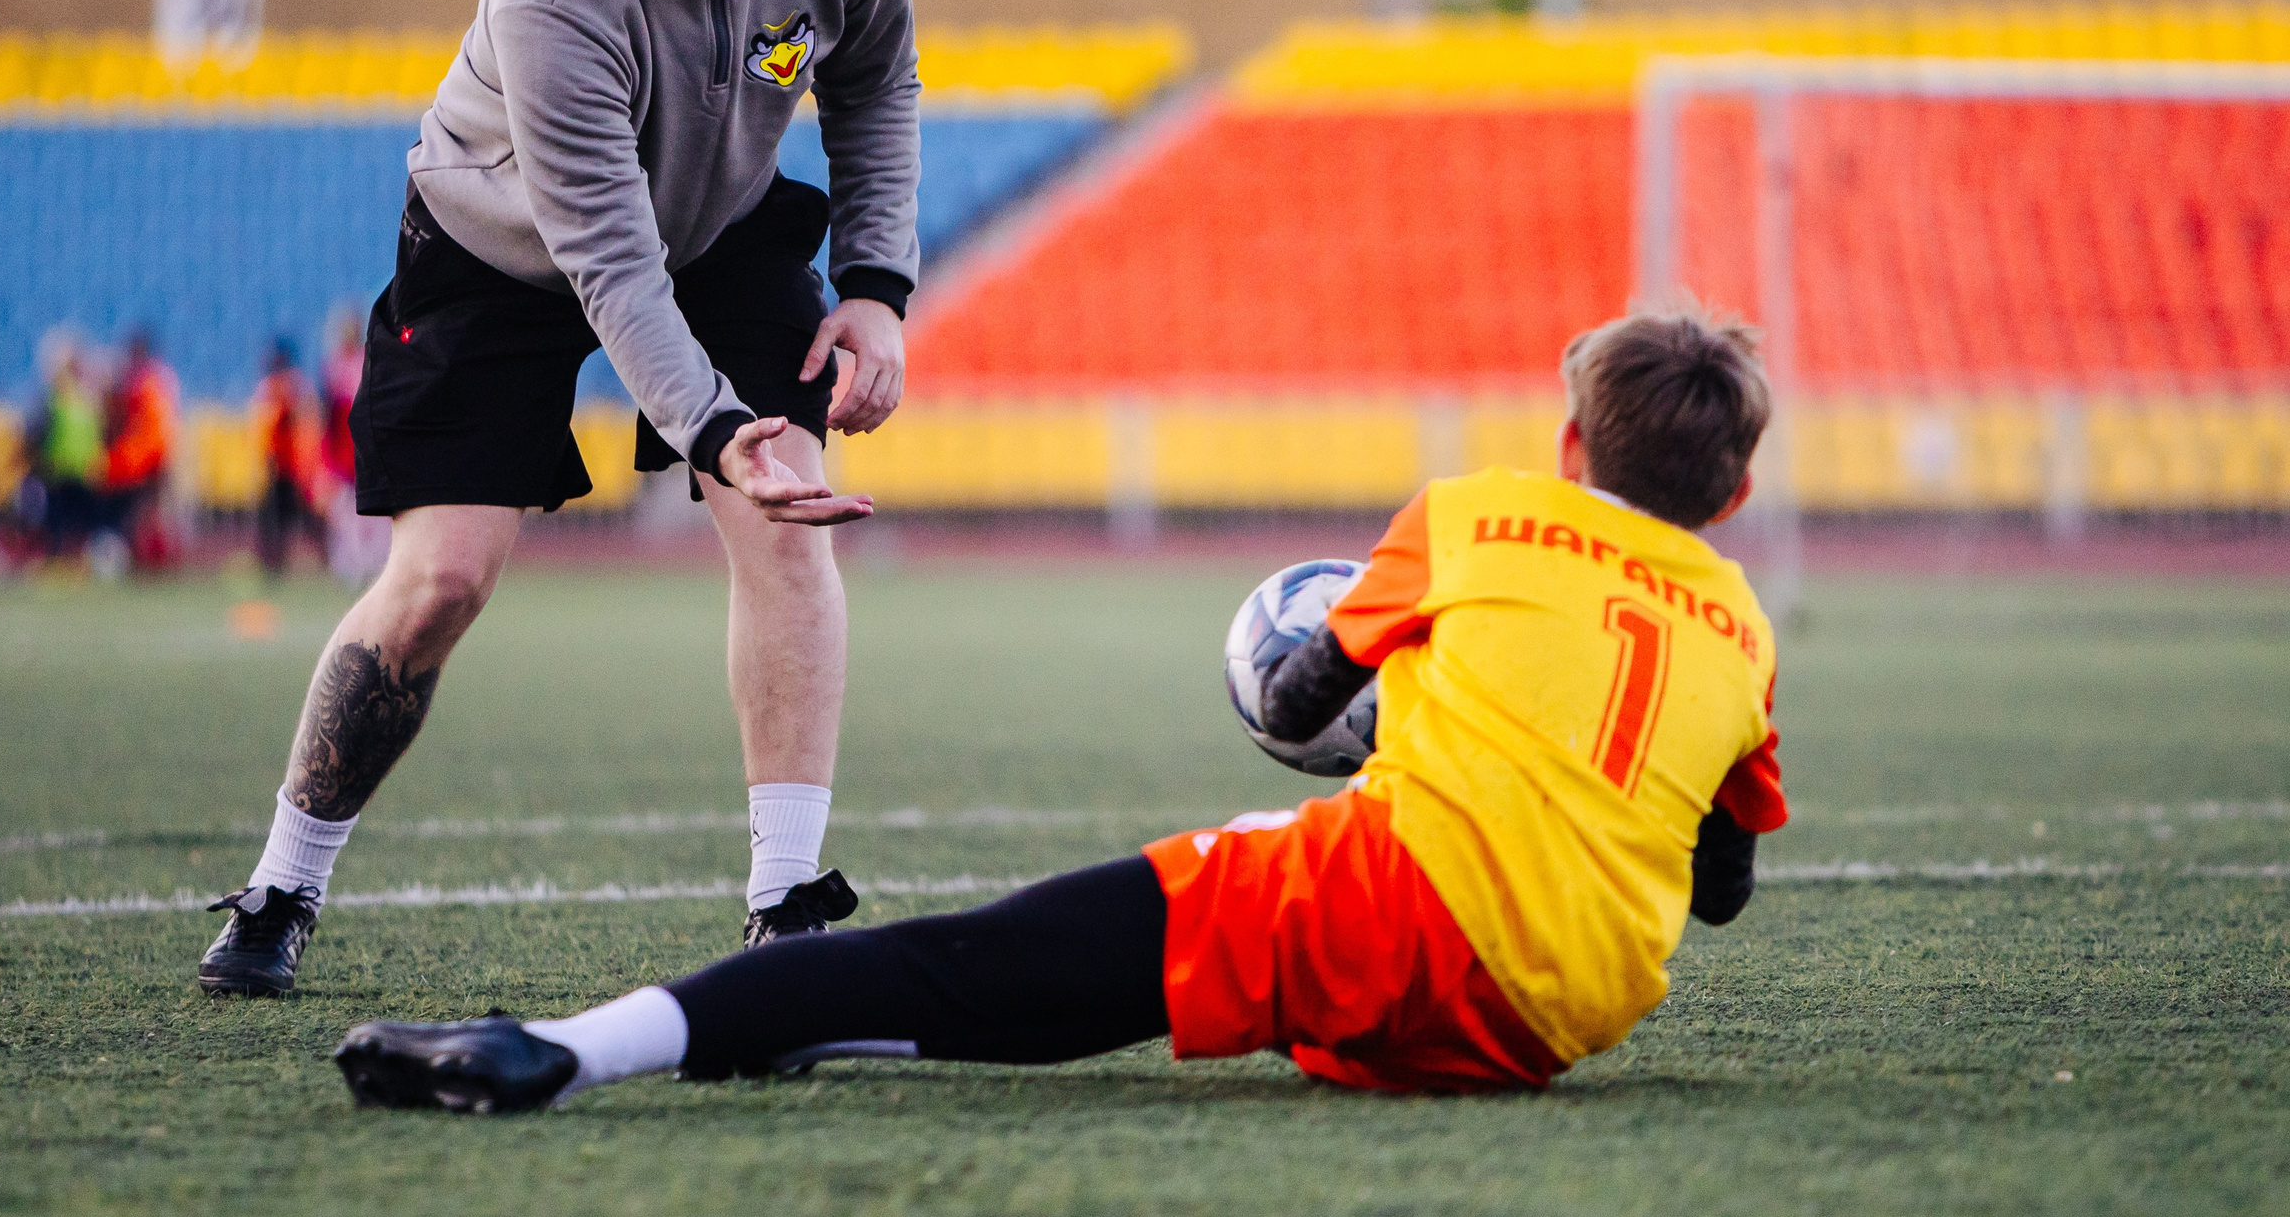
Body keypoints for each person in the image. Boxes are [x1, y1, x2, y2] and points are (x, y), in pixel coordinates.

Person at [331, 309, 1789, 1110]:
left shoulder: (1477, 513)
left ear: (1567, 442)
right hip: (1555, 1015)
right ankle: (779, 1024)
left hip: (1381, 912)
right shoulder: (1743, 629)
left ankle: (572, 1046)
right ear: (1728, 498)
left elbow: (1299, 694)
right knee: (1268, 940)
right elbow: (1718, 885)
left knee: (967, 968)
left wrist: (1385, 687)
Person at [197, 0, 919, 997]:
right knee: (442, 580)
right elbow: (610, 264)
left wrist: (876, 281)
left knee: (787, 515)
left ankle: (788, 909)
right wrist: (715, 427)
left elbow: (874, 80)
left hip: (721, 221)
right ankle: (282, 882)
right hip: (505, 246)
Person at [317, 306, 390, 587]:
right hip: (346, 457)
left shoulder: (368, 362)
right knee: (348, 515)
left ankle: (378, 566)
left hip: (368, 453)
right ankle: (352, 567)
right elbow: (329, 420)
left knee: (377, 516)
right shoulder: (334, 368)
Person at [102, 330, 180, 571]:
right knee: (149, 509)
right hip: (155, 453)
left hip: (142, 457)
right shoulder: (162, 377)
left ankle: (146, 557)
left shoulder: (139, 380)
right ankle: (151, 558)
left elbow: (121, 416)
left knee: (140, 510)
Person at [25, 339, 104, 564]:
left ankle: (58, 558)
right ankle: (82, 560)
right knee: (81, 522)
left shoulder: (55, 396)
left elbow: (38, 432)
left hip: (58, 469)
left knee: (57, 522)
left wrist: (34, 460)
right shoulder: (89, 397)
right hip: (84, 470)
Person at [255, 338, 326, 579]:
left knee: (306, 517)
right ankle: (274, 565)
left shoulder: (294, 387)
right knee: (275, 518)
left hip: (296, 467)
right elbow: (265, 428)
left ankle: (326, 559)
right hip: (279, 467)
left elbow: (305, 426)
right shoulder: (273, 388)